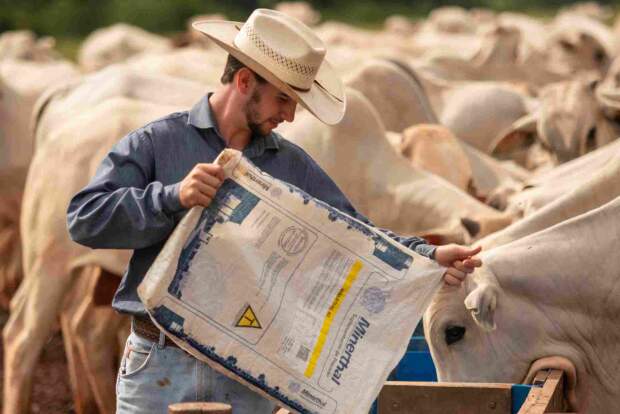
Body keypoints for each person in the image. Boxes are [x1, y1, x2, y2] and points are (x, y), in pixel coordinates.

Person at [67, 8, 482, 414]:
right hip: (158, 367)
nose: (291, 114)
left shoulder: (292, 165)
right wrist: (171, 197)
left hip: (246, 372)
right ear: (245, 80)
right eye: (284, 98)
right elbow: (84, 219)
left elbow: (355, 235)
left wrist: (425, 257)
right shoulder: (157, 143)